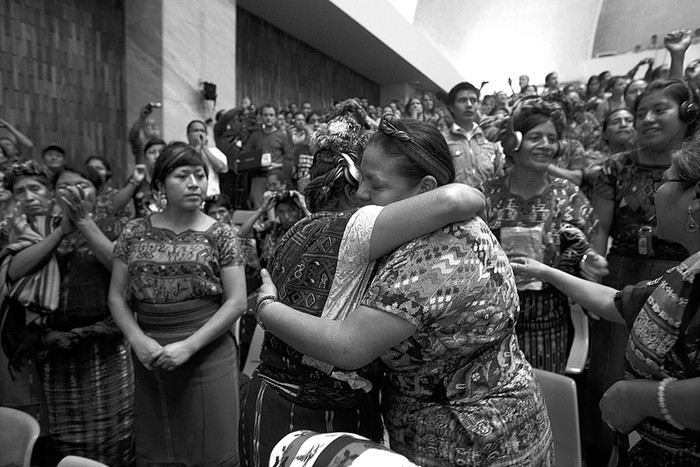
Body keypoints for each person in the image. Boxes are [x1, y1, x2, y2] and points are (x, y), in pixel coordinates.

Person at [253, 114, 554, 466]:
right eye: (360, 177)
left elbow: (348, 346)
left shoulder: (442, 254)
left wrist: (266, 308)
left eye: (375, 184)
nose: (360, 193)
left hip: (473, 440)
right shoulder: (413, 232)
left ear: (426, 190)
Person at [509, 138, 700, 465]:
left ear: (695, 203)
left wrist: (640, 398)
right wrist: (547, 272)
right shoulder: (689, 268)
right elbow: (617, 302)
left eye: (666, 181)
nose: (654, 192)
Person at [109, 142, 247, 466]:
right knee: (157, 449)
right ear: (159, 186)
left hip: (206, 352)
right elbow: (116, 297)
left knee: (212, 450)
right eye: (182, 175)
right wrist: (137, 340)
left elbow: (237, 301)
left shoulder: (221, 234)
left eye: (199, 175)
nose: (194, 183)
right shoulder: (133, 232)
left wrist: (189, 346)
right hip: (149, 355)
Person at [586, 78, 700, 462]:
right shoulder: (615, 167)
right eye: (640, 113)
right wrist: (589, 264)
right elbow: (618, 298)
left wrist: (651, 399)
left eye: (660, 109)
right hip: (624, 268)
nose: (647, 119)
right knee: (610, 365)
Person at [2, 162, 134, 466]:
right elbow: (15, 271)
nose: (73, 193)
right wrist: (62, 230)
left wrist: (84, 223)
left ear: (97, 194)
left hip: (105, 352)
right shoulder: (38, 228)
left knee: (113, 436)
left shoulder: (114, 225)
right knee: (66, 441)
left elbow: (122, 272)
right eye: (64, 187)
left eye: (81, 186)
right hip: (55, 352)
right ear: (53, 195)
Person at [481, 97, 600, 374]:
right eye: (536, 137)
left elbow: (585, 247)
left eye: (552, 138)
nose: (546, 145)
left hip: (549, 318)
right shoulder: (486, 194)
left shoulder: (568, 194)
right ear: (514, 142)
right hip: (492, 316)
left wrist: (588, 261)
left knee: (546, 395)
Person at [442, 81, 503, 188]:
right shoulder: (442, 140)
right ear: (451, 107)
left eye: (473, 100)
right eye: (462, 100)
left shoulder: (489, 137)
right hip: (456, 202)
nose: (469, 105)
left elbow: (499, 174)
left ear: (478, 105)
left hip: (487, 200)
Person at [242, 104, 293, 208]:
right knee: (259, 208)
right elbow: (246, 156)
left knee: (278, 206)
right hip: (259, 177)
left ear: (275, 117)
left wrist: (278, 165)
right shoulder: (255, 136)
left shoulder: (282, 135)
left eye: (271, 115)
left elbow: (289, 156)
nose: (268, 118)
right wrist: (255, 163)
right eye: (265, 115)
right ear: (261, 117)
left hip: (276, 177)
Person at [186, 119, 229, 196]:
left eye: (202, 131)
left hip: (211, 195)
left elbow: (221, 168)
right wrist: (197, 147)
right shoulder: (183, 151)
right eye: (195, 131)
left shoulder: (214, 151)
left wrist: (204, 148)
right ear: (188, 135)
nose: (199, 133)